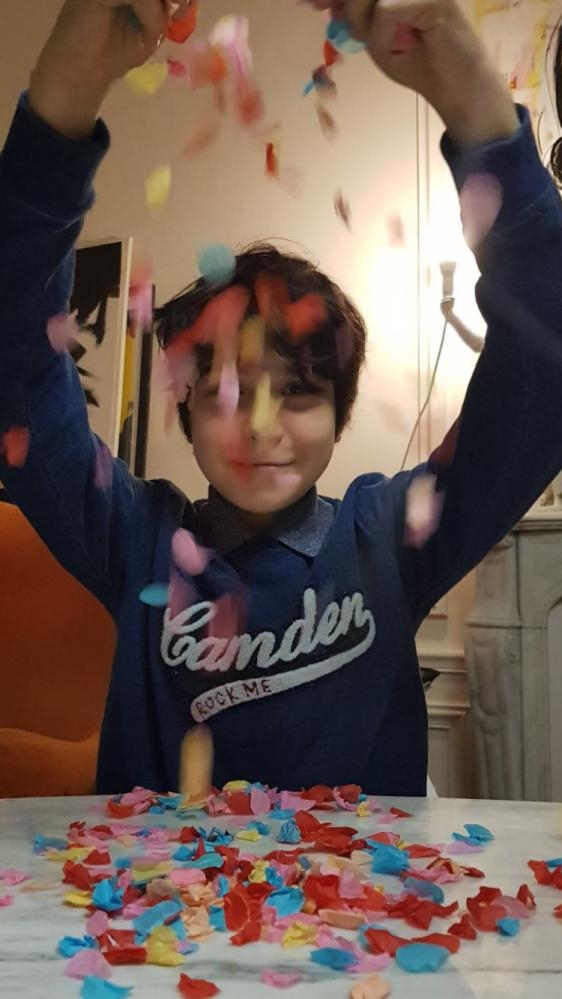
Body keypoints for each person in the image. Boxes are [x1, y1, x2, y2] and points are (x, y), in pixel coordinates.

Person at [1, 0, 562, 797]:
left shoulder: (391, 538)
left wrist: (470, 97)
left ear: (340, 411)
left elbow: (546, 367)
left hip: (364, 881)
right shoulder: (134, 538)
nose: (262, 425)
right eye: (228, 391)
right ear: (185, 408)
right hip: (156, 881)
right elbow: (17, 371)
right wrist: (67, 87)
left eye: (298, 391)